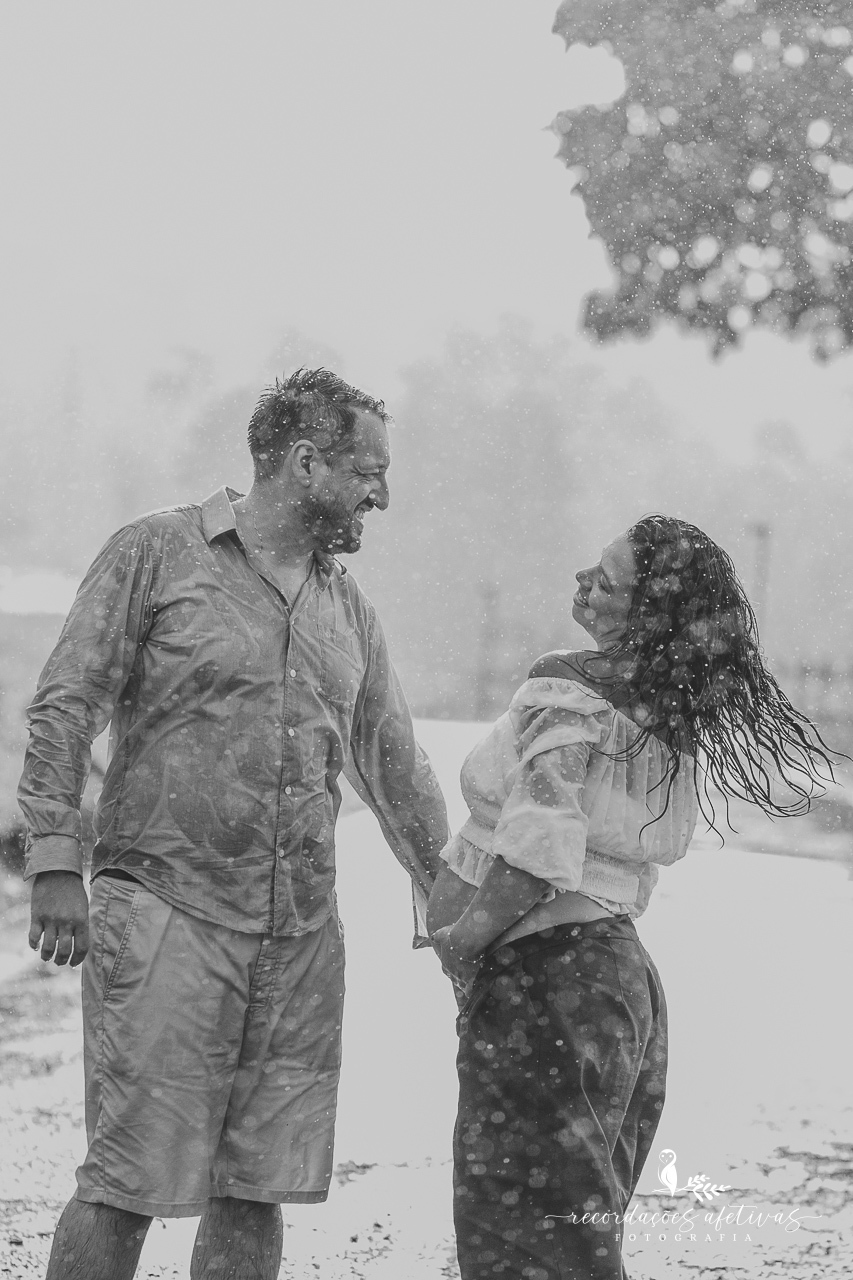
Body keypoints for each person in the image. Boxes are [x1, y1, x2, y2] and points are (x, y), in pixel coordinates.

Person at [18, 367, 449, 1280]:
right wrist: (56, 859)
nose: (383, 493)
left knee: (256, 1186)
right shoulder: (155, 554)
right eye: (367, 470)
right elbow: (66, 704)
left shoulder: (347, 609)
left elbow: (396, 769)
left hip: (297, 937)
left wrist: (453, 907)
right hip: (167, 911)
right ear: (304, 463)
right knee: (129, 1180)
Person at [427, 514, 836, 1280]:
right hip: (614, 988)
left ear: (645, 615)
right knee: (575, 1225)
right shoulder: (661, 711)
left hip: (547, 988)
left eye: (605, 580)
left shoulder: (566, 688)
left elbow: (541, 842)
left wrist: (460, 939)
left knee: (523, 1237)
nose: (582, 581)